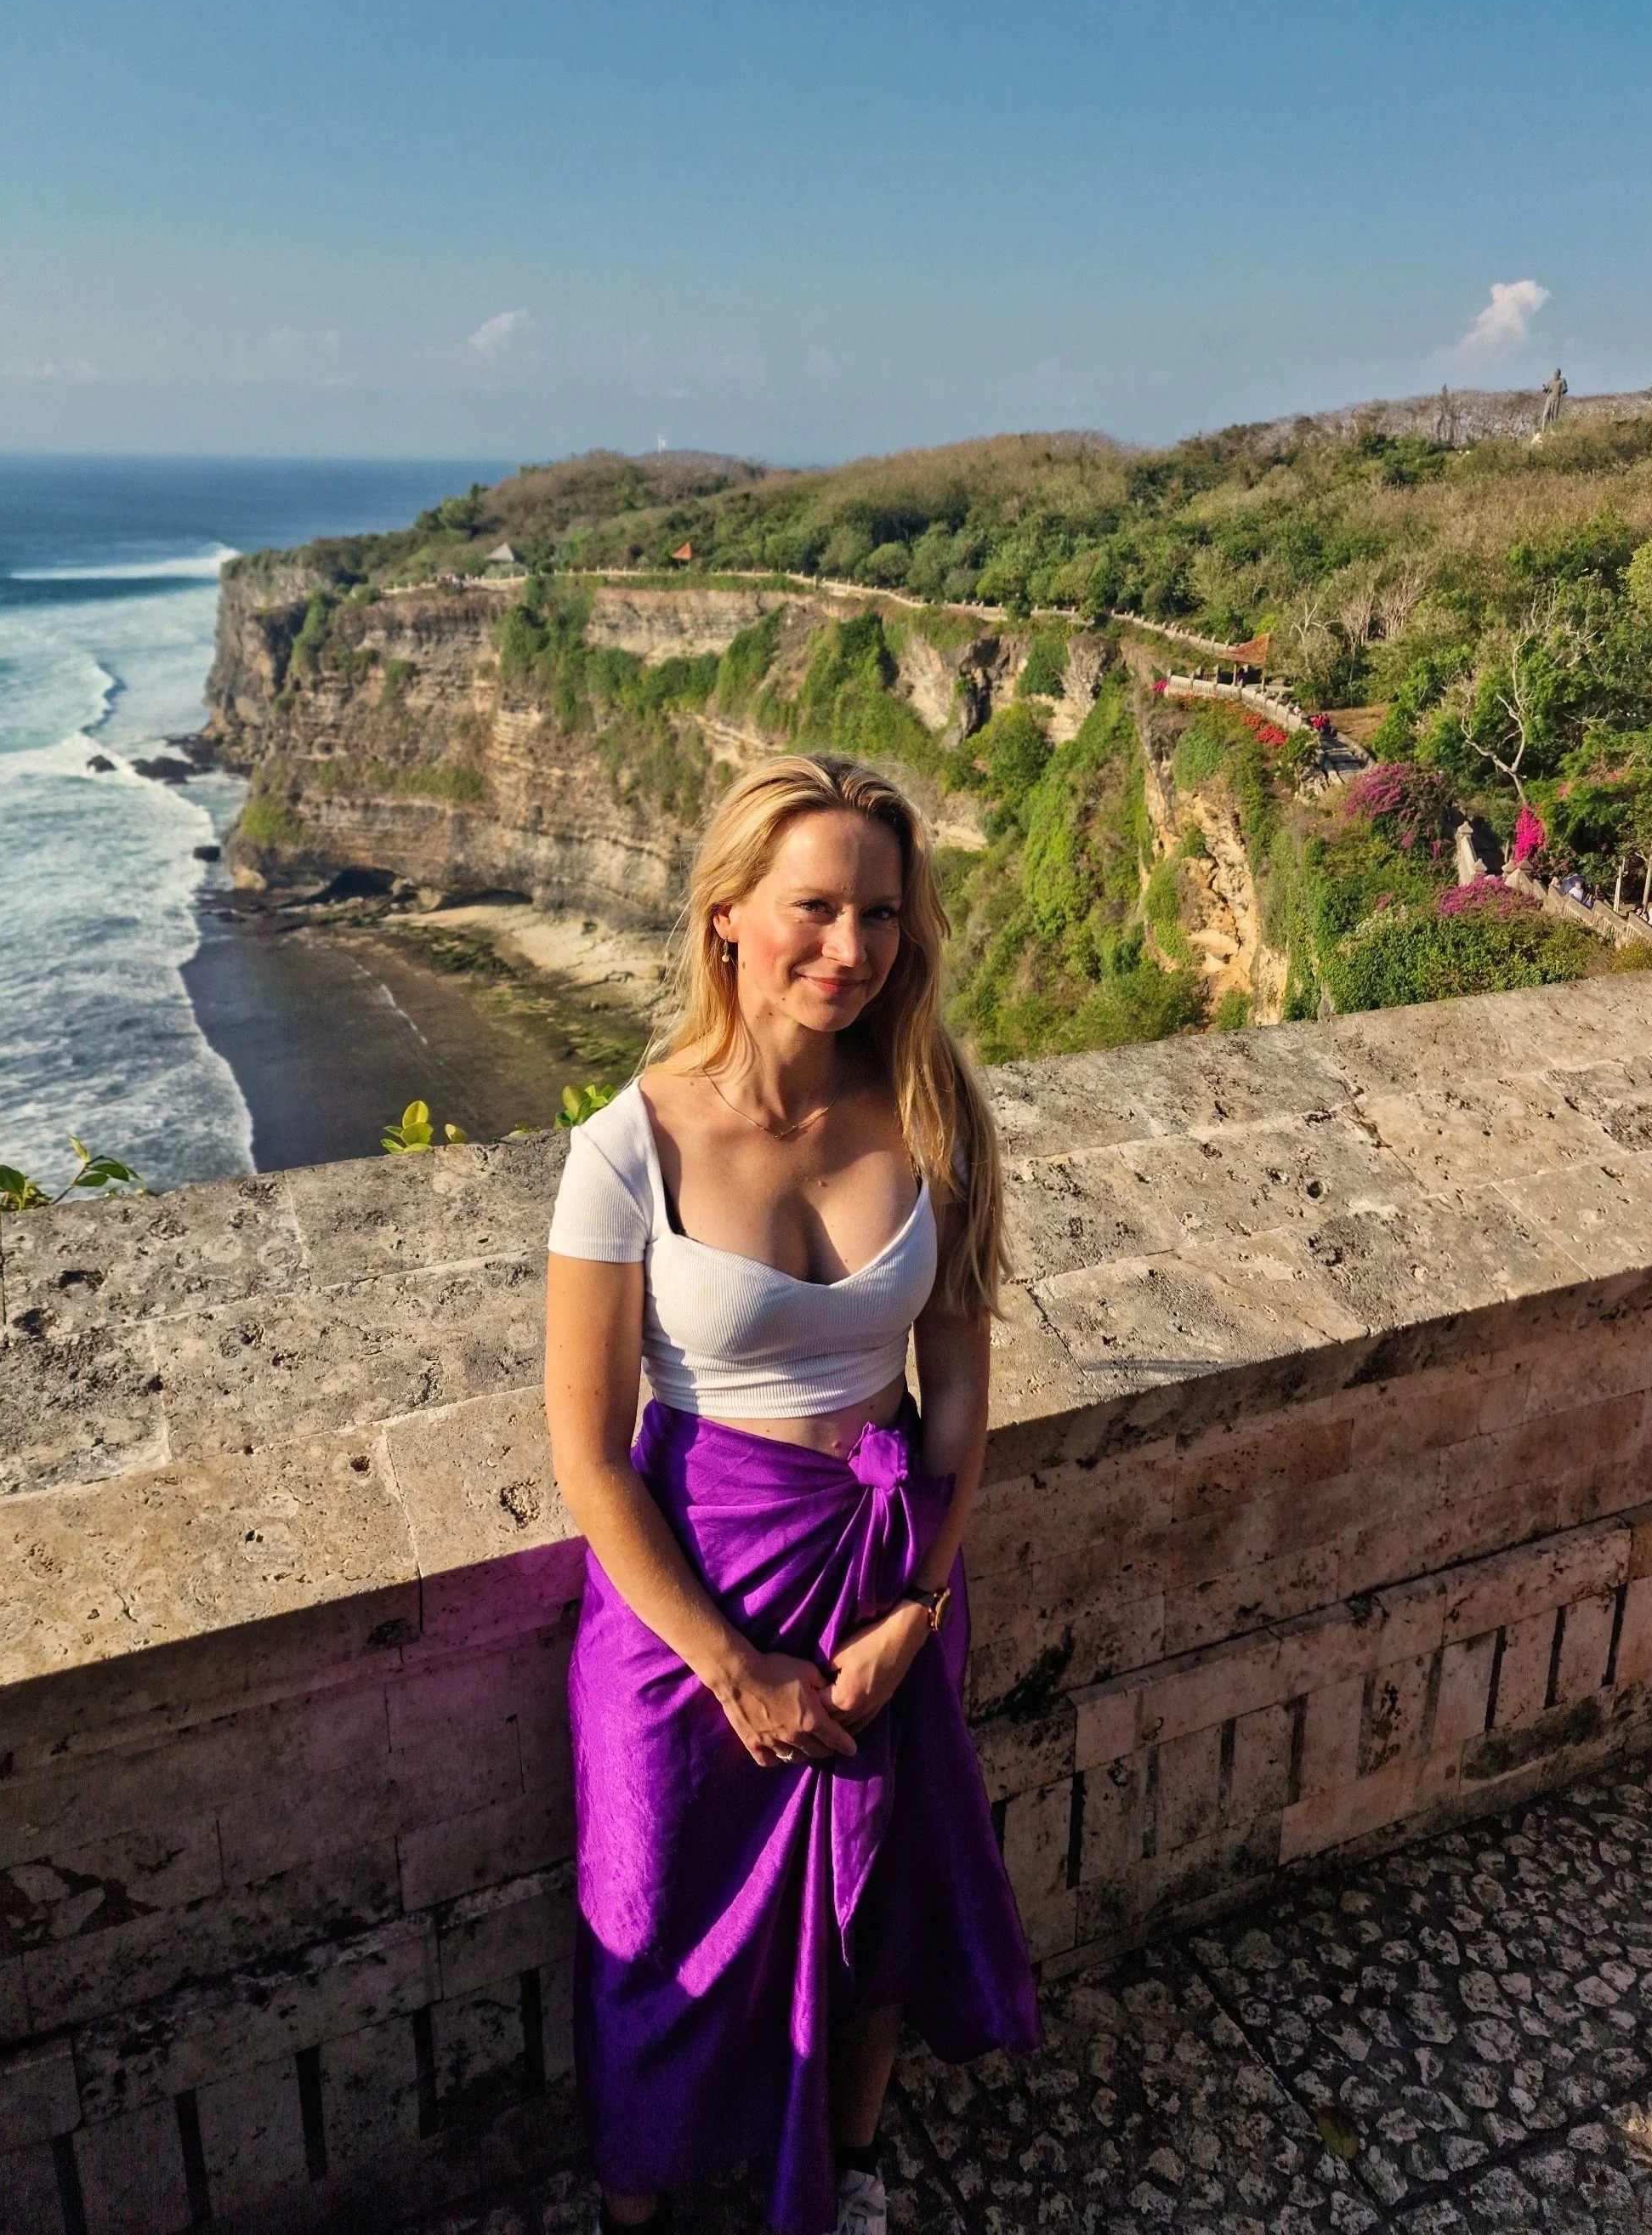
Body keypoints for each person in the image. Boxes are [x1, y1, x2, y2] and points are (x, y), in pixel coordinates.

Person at [544, 754, 1038, 2235]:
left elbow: (953, 1386)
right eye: (811, 907)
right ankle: (639, 2198)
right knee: (653, 1926)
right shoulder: (623, 1149)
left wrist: (919, 1603)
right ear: (724, 919)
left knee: (877, 1893)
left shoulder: (932, 1109)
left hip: (885, 1570)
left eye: (879, 913)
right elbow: (585, 1444)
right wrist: (726, 1661)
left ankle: (857, 2164)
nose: (849, 948)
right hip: (692, 1595)